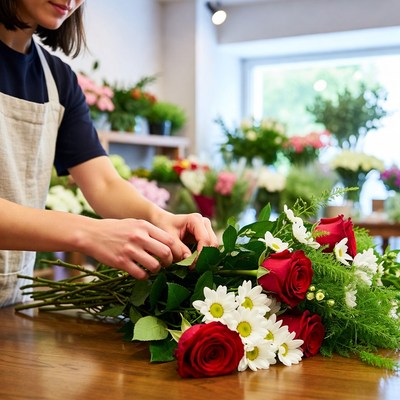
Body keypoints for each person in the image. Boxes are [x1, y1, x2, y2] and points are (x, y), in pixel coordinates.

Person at [0, 0, 218, 307]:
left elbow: (103, 184)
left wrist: (160, 218)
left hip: (12, 306)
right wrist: (86, 232)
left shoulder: (58, 79)